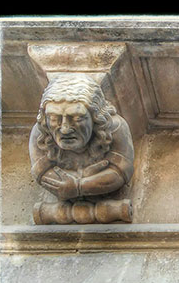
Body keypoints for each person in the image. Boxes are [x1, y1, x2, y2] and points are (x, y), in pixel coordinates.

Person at [29, 74, 134, 224]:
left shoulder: (115, 128)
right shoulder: (41, 133)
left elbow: (122, 171)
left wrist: (79, 186)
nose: (64, 129)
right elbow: (41, 171)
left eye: (77, 118)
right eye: (53, 118)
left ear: (96, 116)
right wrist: (82, 181)